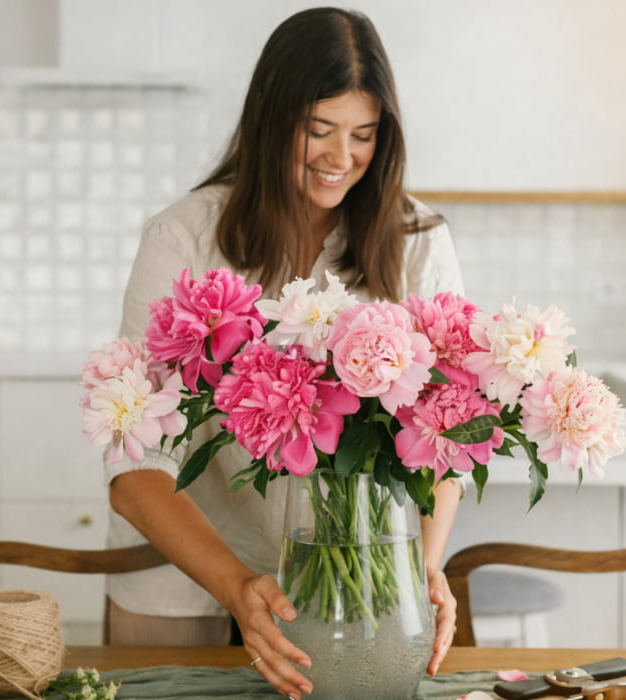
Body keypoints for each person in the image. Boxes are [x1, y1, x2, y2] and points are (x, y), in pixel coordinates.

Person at [103, 7, 465, 699]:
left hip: (355, 594)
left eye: (363, 134)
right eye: (318, 129)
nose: (341, 157)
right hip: (179, 582)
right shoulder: (184, 237)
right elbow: (134, 460)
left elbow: (442, 427)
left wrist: (416, 571)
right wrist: (238, 586)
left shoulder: (416, 240)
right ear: (270, 120)